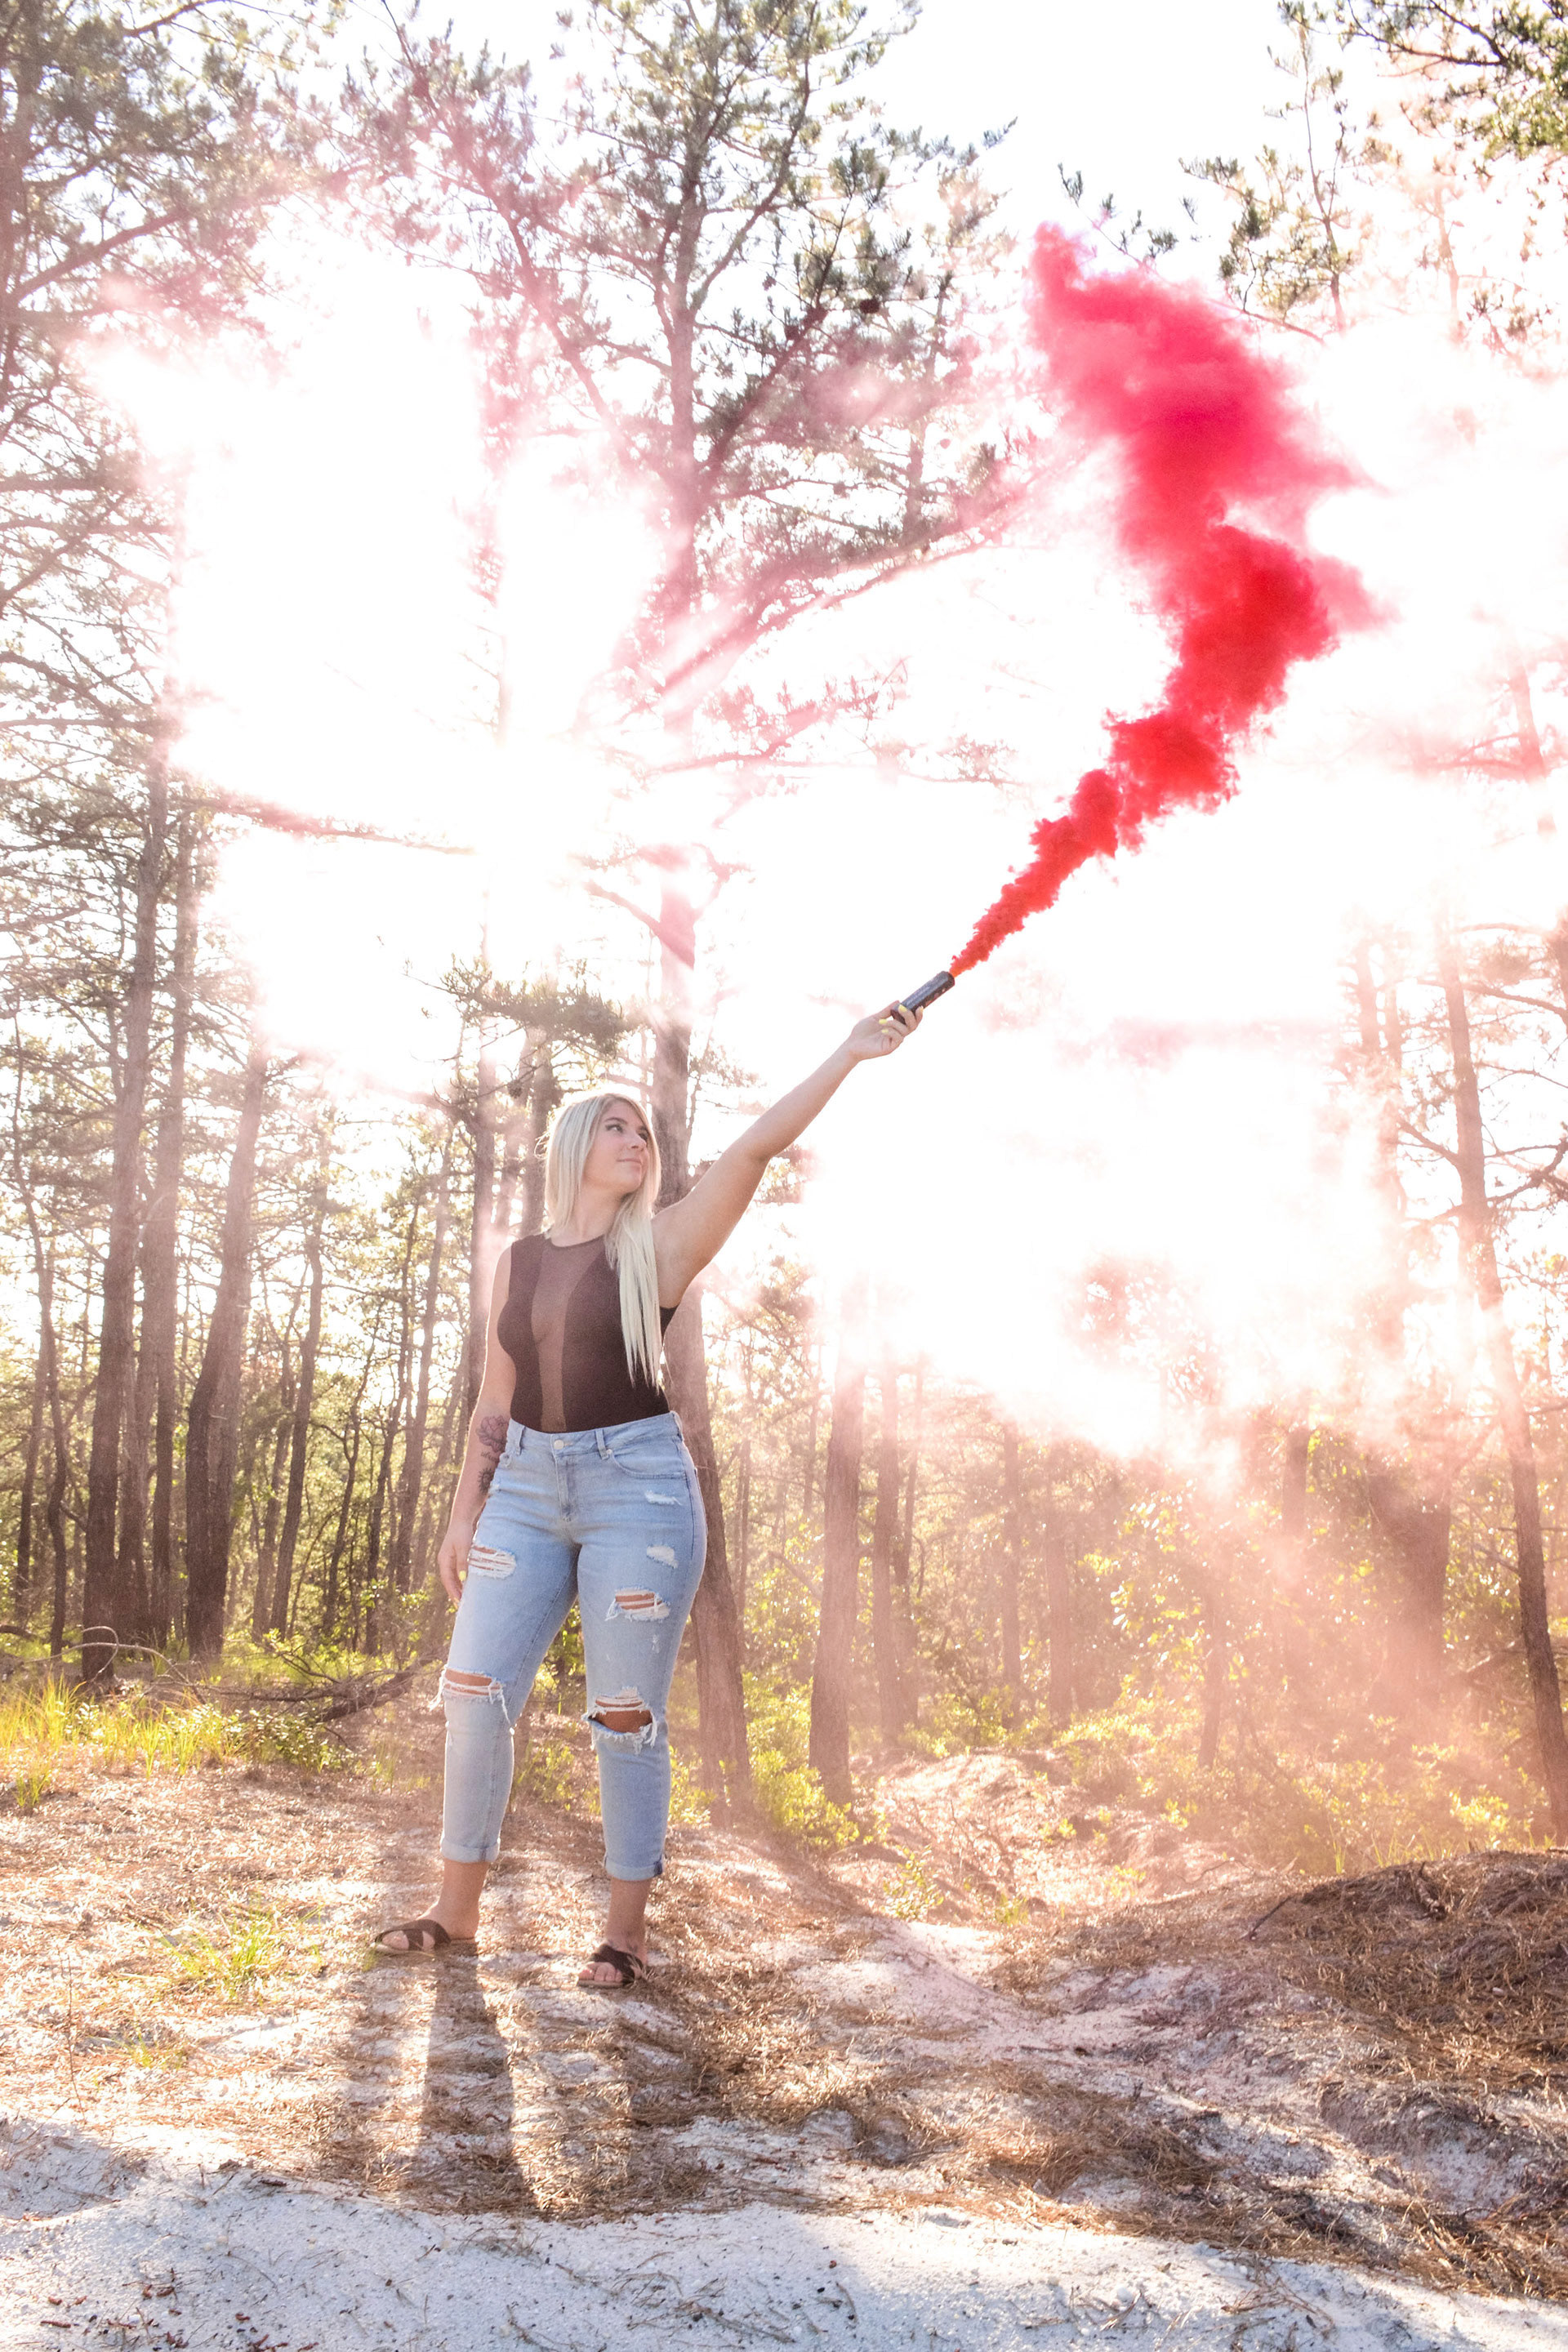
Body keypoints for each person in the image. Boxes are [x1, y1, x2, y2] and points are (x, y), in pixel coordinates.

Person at [373, 996, 924, 1984]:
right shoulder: (522, 1261)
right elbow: (494, 1398)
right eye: (617, 1124)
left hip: (639, 1490)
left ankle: (625, 1932)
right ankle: (456, 1915)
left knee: (622, 1710)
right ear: (576, 1143)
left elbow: (751, 1153)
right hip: (526, 1490)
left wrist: (847, 1051)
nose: (638, 1139)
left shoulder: (655, 1250)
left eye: (645, 1130)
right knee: (472, 1691)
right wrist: (465, 1512)